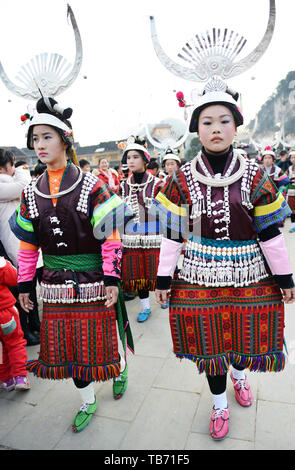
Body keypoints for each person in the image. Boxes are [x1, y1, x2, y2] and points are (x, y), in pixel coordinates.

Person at [153, 77, 295, 440]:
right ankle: (219, 403)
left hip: (251, 276)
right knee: (210, 348)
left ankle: (242, 376)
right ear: (195, 129)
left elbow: (269, 233)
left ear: (236, 124)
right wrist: (164, 279)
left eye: (224, 120)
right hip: (198, 277)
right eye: (207, 121)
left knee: (245, 345)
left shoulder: (255, 174)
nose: (216, 128)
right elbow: (172, 235)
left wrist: (285, 278)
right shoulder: (181, 178)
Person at [9, 96, 135, 433]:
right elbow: (27, 246)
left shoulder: (93, 186)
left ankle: (119, 368)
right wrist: (24, 284)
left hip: (93, 278)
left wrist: (112, 278)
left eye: (47, 136)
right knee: (68, 347)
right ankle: (88, 400)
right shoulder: (29, 192)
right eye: (35, 138)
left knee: (105, 337)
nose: (40, 145)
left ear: (66, 139)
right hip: (52, 283)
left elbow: (111, 238)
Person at [119, 136, 163, 322]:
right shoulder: (122, 187)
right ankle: (145, 307)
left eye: (135, 157)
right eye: (128, 157)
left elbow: (168, 213)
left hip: (154, 237)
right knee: (139, 275)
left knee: (159, 271)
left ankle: (164, 296)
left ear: (145, 160)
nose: (131, 161)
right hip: (131, 239)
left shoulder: (157, 184)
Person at [0, 149, 38, 345]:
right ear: (5, 166)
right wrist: (23, 170)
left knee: (30, 289)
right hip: (13, 247)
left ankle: (35, 325)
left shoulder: (10, 183)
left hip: (23, 243)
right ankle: (25, 331)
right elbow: (24, 185)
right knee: (20, 291)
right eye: (12, 164)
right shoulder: (6, 184)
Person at [0, 256, 30, 391]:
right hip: (5, 313)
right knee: (15, 344)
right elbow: (13, 278)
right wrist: (4, 263)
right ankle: (20, 377)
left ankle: (6, 380)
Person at [287, 150, 295, 233]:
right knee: (292, 210)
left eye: (294, 157)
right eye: (292, 157)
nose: (293, 159)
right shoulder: (289, 168)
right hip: (291, 192)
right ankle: (293, 226)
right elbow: (286, 179)